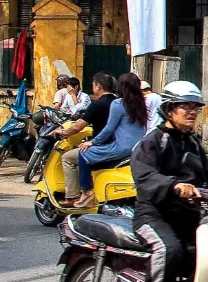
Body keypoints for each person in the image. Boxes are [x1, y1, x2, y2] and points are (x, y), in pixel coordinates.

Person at [131, 80, 208, 282]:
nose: (191, 112)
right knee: (171, 251)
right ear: (169, 109)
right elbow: (145, 177)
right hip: (153, 215)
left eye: (195, 107)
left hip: (187, 219)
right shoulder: (153, 142)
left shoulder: (193, 144)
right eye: (185, 106)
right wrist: (173, 185)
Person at [64, 72, 150, 209]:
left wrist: (92, 142)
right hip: (139, 147)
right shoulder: (141, 104)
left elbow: (109, 129)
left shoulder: (118, 104)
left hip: (122, 147)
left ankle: (86, 192)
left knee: (83, 153)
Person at [54, 72, 117, 203]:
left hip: (101, 148)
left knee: (67, 158)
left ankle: (74, 195)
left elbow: (78, 127)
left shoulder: (96, 104)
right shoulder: (119, 103)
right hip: (118, 146)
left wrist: (64, 133)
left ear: (98, 86)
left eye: (94, 85)